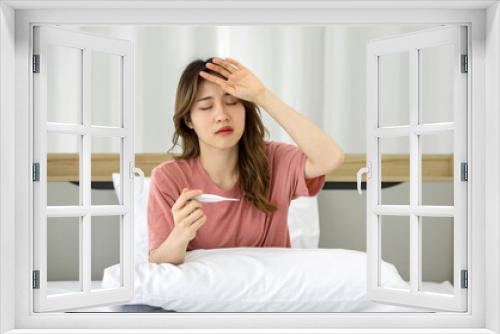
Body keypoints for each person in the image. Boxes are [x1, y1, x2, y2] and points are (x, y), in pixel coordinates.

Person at [148, 56, 344, 265]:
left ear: (245, 110)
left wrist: (262, 95)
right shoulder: (168, 178)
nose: (222, 115)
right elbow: (158, 263)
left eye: (232, 102)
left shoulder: (275, 160)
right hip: (207, 295)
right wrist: (180, 235)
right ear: (189, 120)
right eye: (206, 107)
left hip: (272, 292)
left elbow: (331, 157)